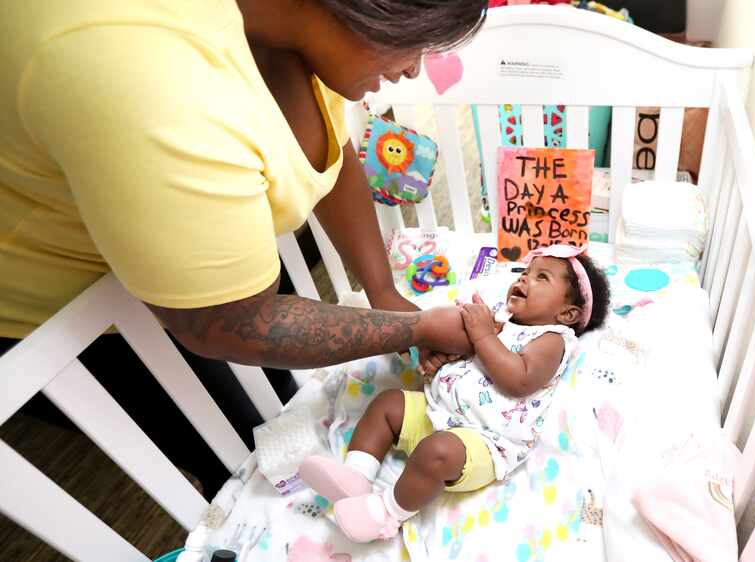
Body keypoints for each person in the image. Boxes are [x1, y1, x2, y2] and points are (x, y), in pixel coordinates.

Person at [0, 0, 487, 496]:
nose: (413, 69)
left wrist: (383, 290)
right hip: (56, 308)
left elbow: (328, 155)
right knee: (239, 445)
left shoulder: (300, 30)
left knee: (274, 403)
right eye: (411, 42)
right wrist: (415, 326)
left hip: (193, 273)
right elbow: (229, 321)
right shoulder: (146, 73)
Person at [299, 245, 611, 542]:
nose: (524, 278)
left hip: (482, 440)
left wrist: (482, 334)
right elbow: (473, 355)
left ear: (567, 314)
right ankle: (356, 476)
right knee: (388, 404)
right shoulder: (499, 319)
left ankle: (386, 513)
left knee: (438, 453)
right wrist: (445, 358)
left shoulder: (552, 339)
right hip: (437, 410)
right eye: (526, 272)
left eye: (542, 277)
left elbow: (520, 379)